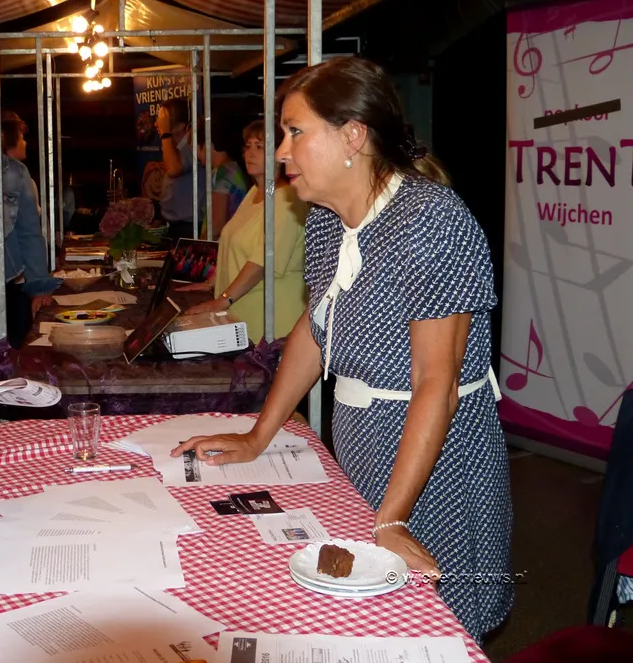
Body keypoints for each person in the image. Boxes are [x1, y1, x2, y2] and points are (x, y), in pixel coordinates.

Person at [171, 57, 512, 642]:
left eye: (295, 132)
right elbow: (316, 326)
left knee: (436, 626)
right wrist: (258, 435)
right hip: (361, 445)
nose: (282, 152)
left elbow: (437, 383)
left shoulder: (431, 221)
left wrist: (395, 517)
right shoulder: (329, 220)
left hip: (435, 469)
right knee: (362, 619)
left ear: (353, 135)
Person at [178, 120, 307, 343]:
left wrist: (223, 299)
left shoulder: (287, 199)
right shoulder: (255, 193)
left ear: (280, 153)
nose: (250, 153)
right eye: (248, 146)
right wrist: (212, 282)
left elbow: (261, 262)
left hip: (272, 317)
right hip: (244, 309)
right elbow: (235, 247)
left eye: (260, 146)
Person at [0, 106, 60, 347]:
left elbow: (30, 233)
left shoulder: (12, 171)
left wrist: (38, 288)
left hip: (2, 287)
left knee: (9, 356)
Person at [155, 98, 204, 240]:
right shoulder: (174, 146)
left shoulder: (193, 144)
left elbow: (173, 169)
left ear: (180, 125)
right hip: (173, 223)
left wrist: (165, 133)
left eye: (163, 120)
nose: (157, 124)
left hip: (190, 225)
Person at [197, 124, 248, 239]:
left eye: (195, 147)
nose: (195, 154)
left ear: (208, 145)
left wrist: (198, 245)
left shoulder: (223, 173)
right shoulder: (233, 168)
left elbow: (216, 224)